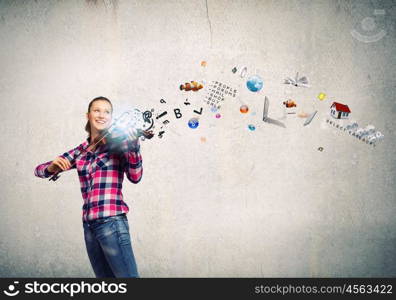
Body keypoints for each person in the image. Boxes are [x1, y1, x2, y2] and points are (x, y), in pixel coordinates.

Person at [34, 96, 143, 278]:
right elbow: (38, 170)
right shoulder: (82, 150)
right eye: (97, 110)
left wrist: (133, 148)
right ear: (88, 115)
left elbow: (135, 176)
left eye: (107, 111)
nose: (102, 115)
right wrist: (51, 168)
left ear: (112, 117)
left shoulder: (120, 144)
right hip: (89, 227)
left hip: (112, 222)